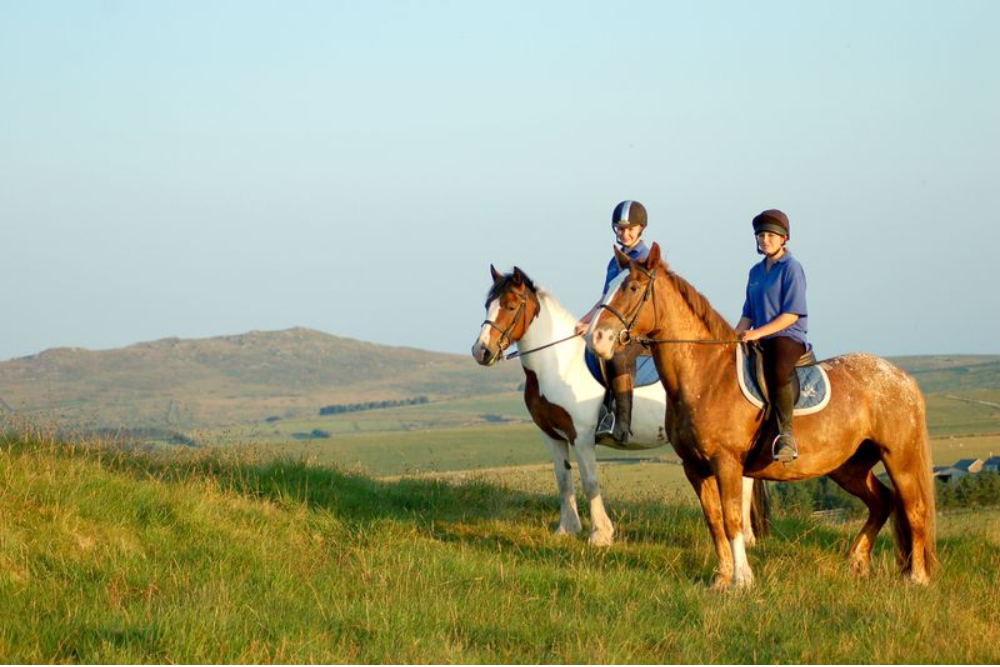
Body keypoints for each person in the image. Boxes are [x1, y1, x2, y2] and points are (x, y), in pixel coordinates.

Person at [734, 209, 810, 464]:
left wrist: (758, 332)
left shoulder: (792, 268)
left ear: (783, 238)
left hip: (787, 337)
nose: (765, 240)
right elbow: (748, 313)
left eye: (770, 235)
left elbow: (791, 314)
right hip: (759, 336)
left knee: (777, 369)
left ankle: (786, 434)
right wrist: (732, 337)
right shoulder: (755, 272)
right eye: (761, 235)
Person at [576, 200, 651, 445]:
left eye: (630, 229)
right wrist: (585, 321)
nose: (625, 233)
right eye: (620, 229)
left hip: (640, 329)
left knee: (617, 355)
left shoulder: (644, 259)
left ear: (641, 229)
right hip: (618, 326)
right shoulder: (616, 260)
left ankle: (620, 422)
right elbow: (606, 298)